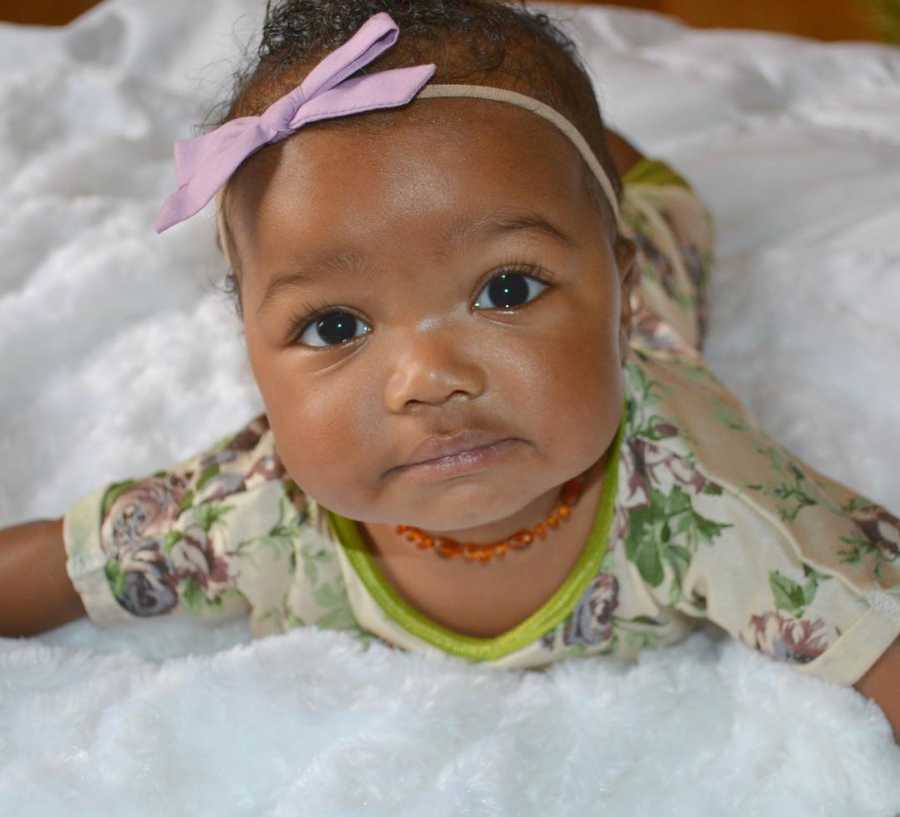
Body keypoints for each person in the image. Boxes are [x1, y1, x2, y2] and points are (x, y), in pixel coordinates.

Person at [1, 0, 898, 740]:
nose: (426, 376)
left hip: (654, 294)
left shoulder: (708, 492)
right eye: (334, 323)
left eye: (507, 288)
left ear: (610, 300)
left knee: (665, 207)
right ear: (249, 353)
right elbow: (52, 565)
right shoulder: (245, 513)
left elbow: (875, 620)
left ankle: (612, 168)